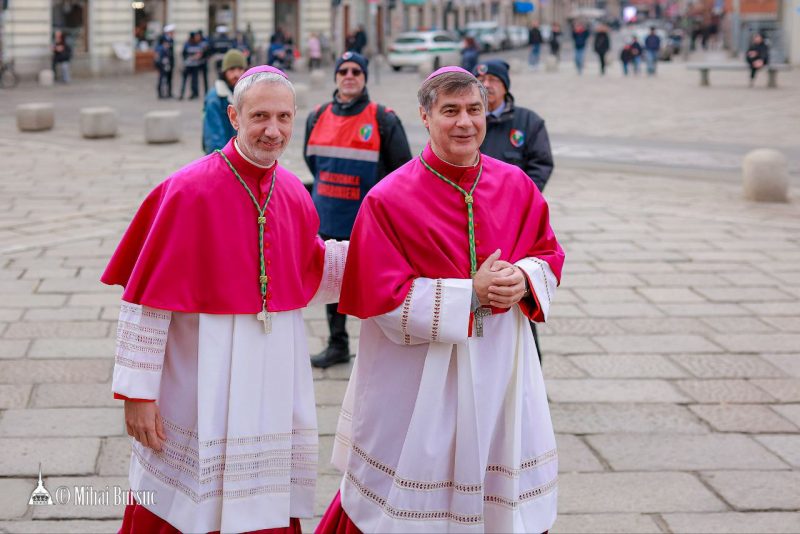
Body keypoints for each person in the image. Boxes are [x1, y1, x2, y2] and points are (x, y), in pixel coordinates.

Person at [316, 66, 564, 534]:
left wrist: (524, 277)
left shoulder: (517, 184)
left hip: (502, 366)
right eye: (450, 111)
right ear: (425, 117)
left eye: (474, 110)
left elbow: (547, 253)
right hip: (418, 377)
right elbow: (380, 298)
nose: (465, 122)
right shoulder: (387, 199)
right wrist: (470, 293)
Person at [104, 65, 349, 534]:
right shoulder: (187, 190)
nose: (272, 130)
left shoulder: (296, 191)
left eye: (283, 117)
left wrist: (397, 263)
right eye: (259, 116)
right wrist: (137, 392)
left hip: (272, 378)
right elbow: (147, 301)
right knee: (186, 502)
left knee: (262, 502)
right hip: (197, 377)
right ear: (234, 116)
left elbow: (310, 271)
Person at [303, 51, 412, 369]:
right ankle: (338, 344)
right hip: (328, 217)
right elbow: (314, 162)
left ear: (364, 78)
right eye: (343, 71)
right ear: (336, 77)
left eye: (356, 71)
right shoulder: (317, 116)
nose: (349, 75)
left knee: (376, 288)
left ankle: (384, 349)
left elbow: (401, 171)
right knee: (330, 284)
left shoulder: (383, 118)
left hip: (368, 223)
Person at [474, 59, 554, 356]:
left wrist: (518, 200)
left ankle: (531, 380)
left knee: (517, 293)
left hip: (513, 226)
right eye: (481, 77)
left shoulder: (527, 122)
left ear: (505, 84)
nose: (487, 83)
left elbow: (541, 164)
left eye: (494, 78)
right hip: (471, 225)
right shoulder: (468, 122)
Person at [202, 49, 247, 154]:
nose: (236, 74)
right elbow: (213, 138)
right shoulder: (215, 98)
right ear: (224, 72)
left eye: (240, 69)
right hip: (225, 158)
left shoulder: (248, 94)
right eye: (232, 69)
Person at [179, 31, 204, 100]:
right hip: (187, 65)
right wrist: (191, 58)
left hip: (195, 66)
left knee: (194, 81)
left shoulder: (198, 44)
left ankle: (194, 94)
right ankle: (181, 94)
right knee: (184, 80)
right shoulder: (187, 44)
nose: (197, 38)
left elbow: (201, 53)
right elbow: (183, 54)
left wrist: (198, 56)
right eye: (196, 36)